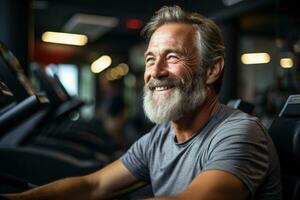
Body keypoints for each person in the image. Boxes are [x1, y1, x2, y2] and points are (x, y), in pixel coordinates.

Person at [2, 5, 281, 200]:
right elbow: (94, 185)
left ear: (211, 70)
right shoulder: (161, 136)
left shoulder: (240, 133)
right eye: (150, 59)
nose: (155, 71)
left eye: (172, 57)